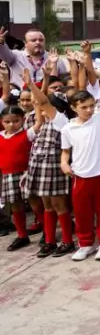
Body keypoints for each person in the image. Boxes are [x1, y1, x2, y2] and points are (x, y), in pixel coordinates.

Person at [60, 75, 100, 262]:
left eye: (92, 105)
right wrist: (64, 163)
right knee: (82, 212)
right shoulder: (68, 129)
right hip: (80, 175)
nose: (89, 110)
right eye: (84, 107)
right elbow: (65, 152)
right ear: (73, 108)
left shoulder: (99, 119)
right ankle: (84, 244)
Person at [21, 71, 73, 257]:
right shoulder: (41, 122)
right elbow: (38, 103)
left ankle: (67, 240)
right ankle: (50, 240)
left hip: (53, 166)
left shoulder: (62, 121)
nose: (41, 110)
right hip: (39, 167)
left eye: (47, 107)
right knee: (47, 205)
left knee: (59, 205)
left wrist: (33, 85)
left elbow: (41, 101)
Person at [0, 105, 32, 251]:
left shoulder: (27, 134)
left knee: (35, 202)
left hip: (26, 173)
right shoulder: (0, 136)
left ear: (23, 120)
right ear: (2, 122)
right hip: (8, 174)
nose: (11, 124)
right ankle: (22, 235)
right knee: (15, 205)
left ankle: (47, 233)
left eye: (16, 120)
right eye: (7, 121)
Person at [0, 27, 68, 84]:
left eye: (41, 40)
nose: (38, 42)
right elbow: (4, 54)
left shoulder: (55, 59)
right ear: (25, 43)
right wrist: (1, 43)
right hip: (21, 97)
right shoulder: (15, 55)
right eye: (33, 40)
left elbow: (64, 80)